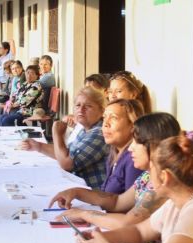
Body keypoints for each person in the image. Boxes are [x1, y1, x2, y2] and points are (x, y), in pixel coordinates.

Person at [51, 112, 181, 231]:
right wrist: (76, 192)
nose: (130, 148)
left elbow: (128, 223)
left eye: (136, 142)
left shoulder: (163, 184)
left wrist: (83, 214)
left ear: (154, 146)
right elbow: (117, 202)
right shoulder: (148, 176)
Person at [20, 87, 109, 189]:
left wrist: (57, 134)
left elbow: (66, 163)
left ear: (102, 111)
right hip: (77, 187)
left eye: (88, 106)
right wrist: (38, 146)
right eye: (78, 105)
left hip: (91, 194)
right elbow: (66, 153)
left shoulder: (99, 133)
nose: (81, 109)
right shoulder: (85, 129)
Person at [100, 99, 144, 194]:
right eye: (104, 117)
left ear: (133, 125)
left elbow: (130, 206)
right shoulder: (114, 153)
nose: (105, 124)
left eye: (114, 118)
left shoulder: (134, 159)